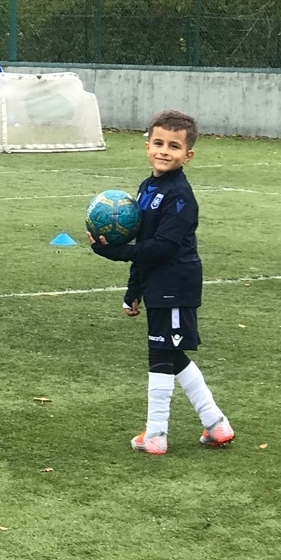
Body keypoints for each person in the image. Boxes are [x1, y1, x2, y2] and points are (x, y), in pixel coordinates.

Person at [88, 108, 234, 455]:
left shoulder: (180, 196)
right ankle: (216, 424)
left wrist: (114, 252)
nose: (164, 151)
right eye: (158, 143)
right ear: (147, 146)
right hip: (156, 285)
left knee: (160, 354)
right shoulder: (146, 188)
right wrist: (133, 290)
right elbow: (144, 245)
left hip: (175, 286)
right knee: (170, 353)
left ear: (188, 155)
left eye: (173, 146)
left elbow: (162, 247)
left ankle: (156, 434)